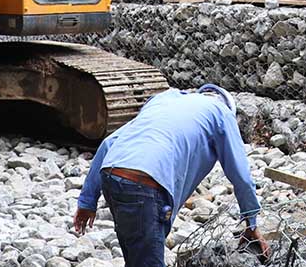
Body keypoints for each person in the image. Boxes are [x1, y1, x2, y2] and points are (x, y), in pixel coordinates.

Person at [73, 84, 269, 266]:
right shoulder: (221, 114)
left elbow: (108, 144)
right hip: (144, 184)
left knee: (137, 257)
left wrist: (87, 202)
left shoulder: (165, 99)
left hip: (111, 176)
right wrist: (251, 222)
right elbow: (241, 176)